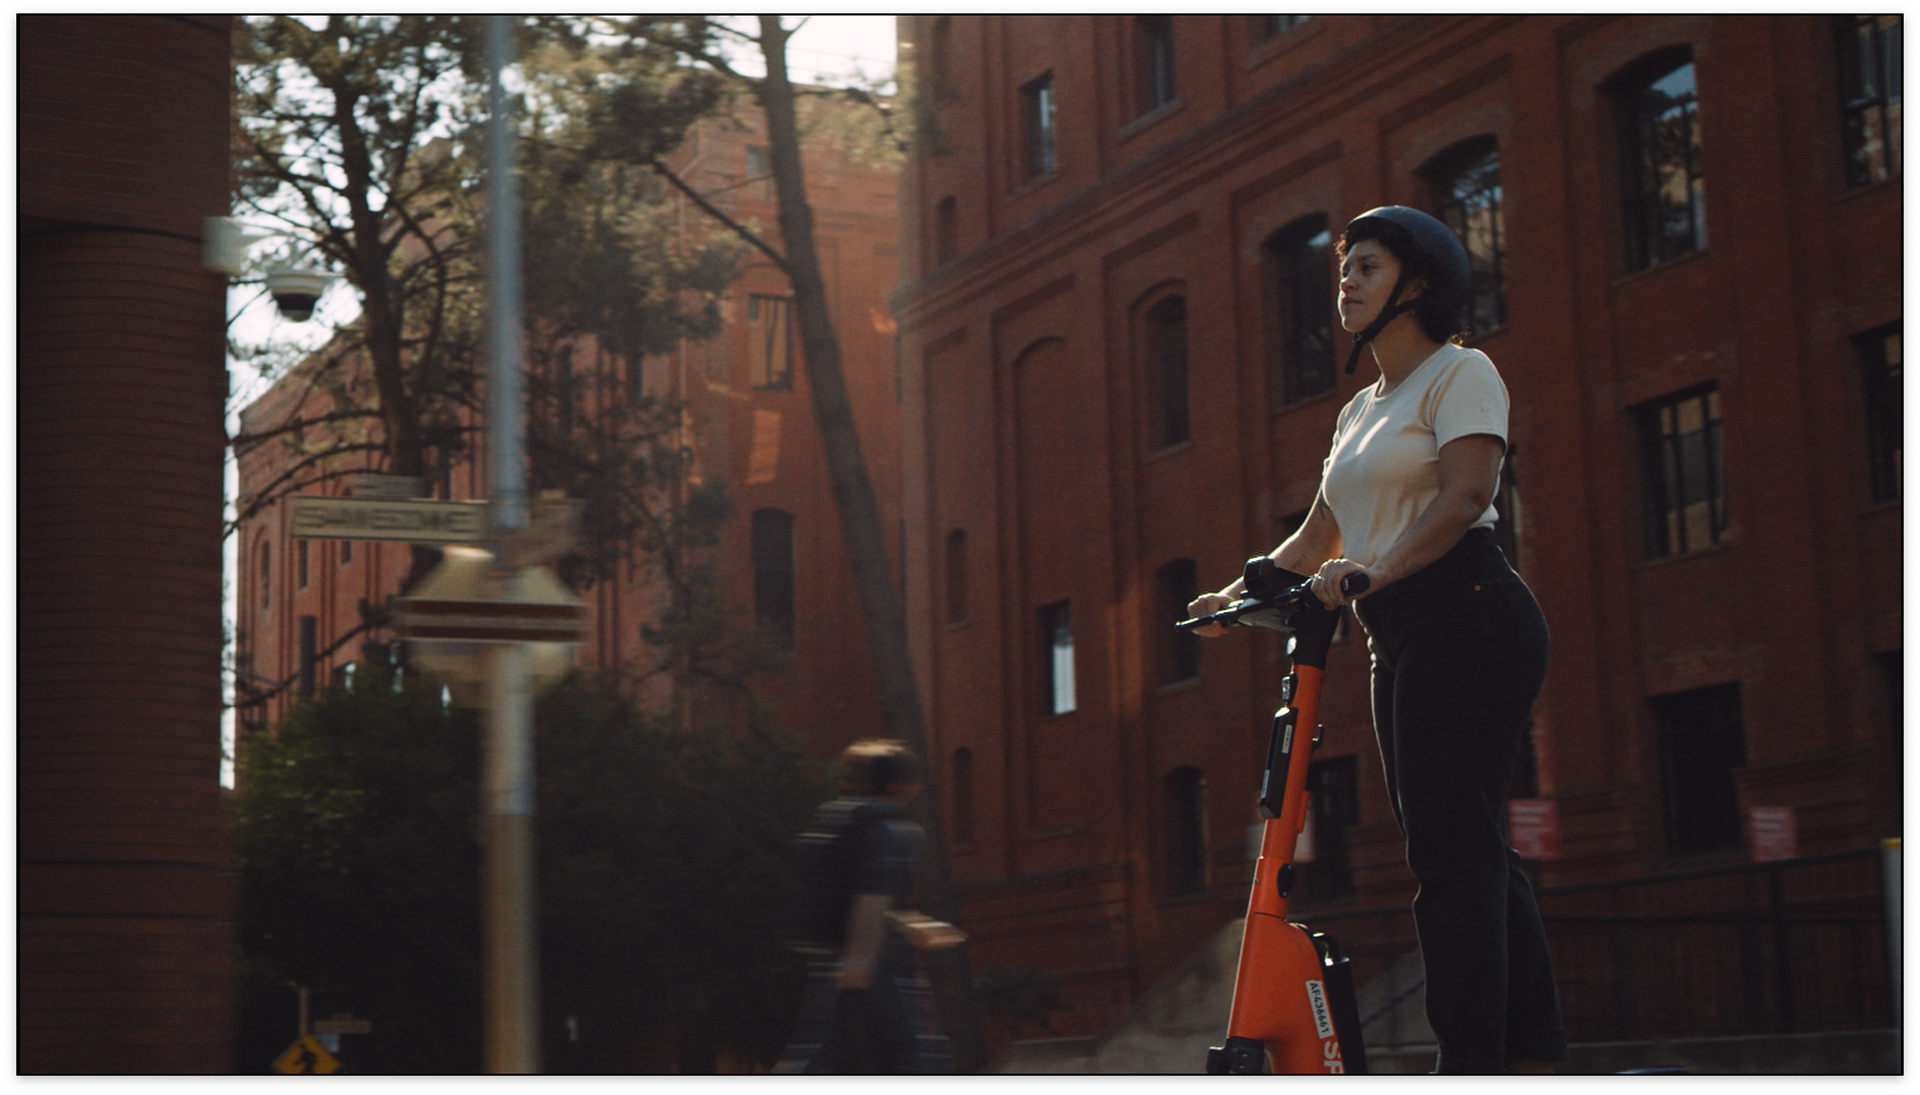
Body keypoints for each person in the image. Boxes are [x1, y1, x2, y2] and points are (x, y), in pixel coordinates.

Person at [1187, 206, 1566, 1074]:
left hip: (1471, 612)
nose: (1346, 282)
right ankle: (1532, 1050)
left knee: (1450, 850)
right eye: (1344, 268)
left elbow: (1466, 495)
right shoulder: (1360, 408)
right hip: (1394, 629)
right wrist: (1233, 597)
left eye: (1367, 266)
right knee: (1466, 842)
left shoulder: (1461, 372)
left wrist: (1379, 568)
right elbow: (1317, 534)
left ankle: (1472, 1056)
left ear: (1419, 283)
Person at [776, 740, 965, 1074]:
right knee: (916, 1049)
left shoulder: (839, 821)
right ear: (901, 785)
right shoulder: (889, 831)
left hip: (831, 952)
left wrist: (909, 926)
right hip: (873, 957)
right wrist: (860, 958)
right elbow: (871, 896)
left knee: (817, 1047)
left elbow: (854, 893)